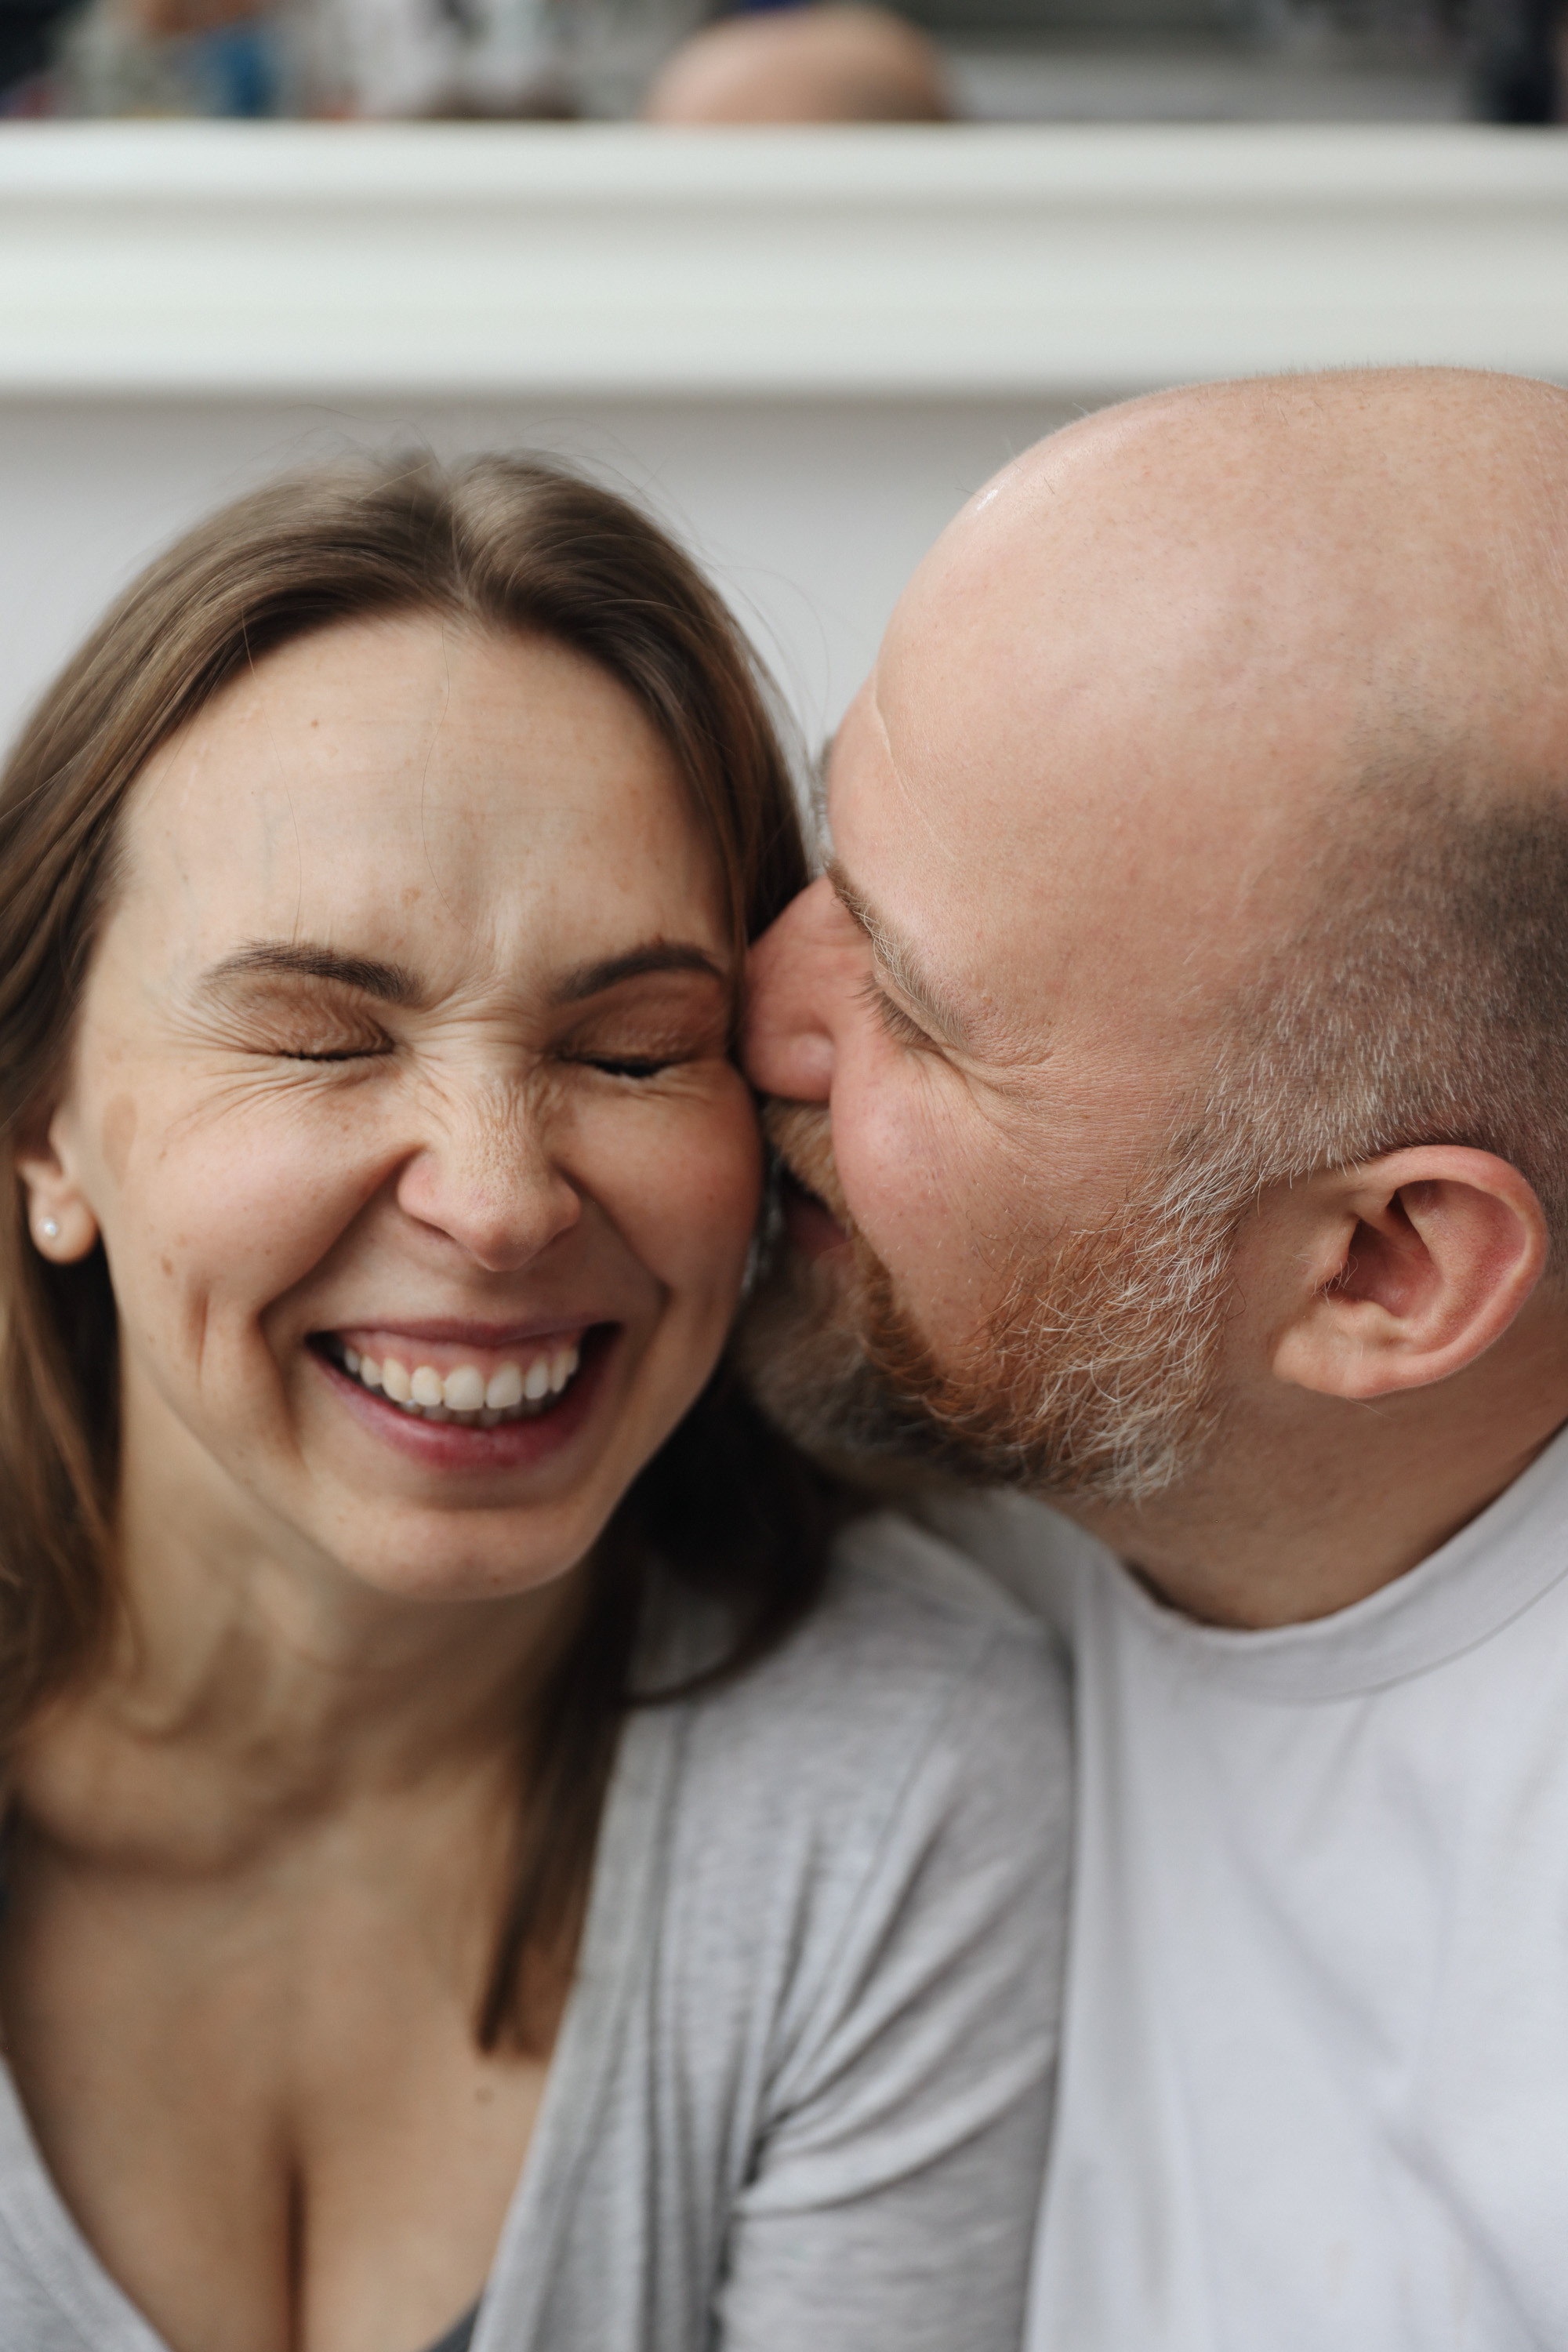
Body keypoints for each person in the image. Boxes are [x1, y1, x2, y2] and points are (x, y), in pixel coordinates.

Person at [0, 454, 1070, 2352]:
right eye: (322, 1037)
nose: (498, 1201)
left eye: (632, 1048)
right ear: (41, 1133)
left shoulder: (889, 1786)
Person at [741, 365, 1568, 2349]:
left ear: (1379, 1269)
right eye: (830, 839)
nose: (754, 1004)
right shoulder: (1044, 1430)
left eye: (915, 1020)